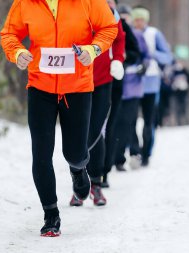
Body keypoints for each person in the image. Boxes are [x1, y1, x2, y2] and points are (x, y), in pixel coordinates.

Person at [0, 0, 118, 237]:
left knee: (74, 152)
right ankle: (51, 215)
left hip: (77, 87)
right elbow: (9, 33)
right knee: (41, 153)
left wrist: (93, 49)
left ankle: (78, 168)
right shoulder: (26, 2)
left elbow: (109, 27)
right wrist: (18, 52)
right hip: (40, 86)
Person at [69, 1, 125, 207]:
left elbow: (119, 39)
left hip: (102, 81)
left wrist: (117, 60)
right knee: (77, 132)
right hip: (76, 79)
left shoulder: (110, 13)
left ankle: (96, 184)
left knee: (95, 132)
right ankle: (78, 182)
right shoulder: (74, 8)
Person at [102, 2, 142, 187]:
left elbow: (135, 52)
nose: (107, 3)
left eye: (111, 1)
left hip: (114, 81)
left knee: (112, 125)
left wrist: (121, 57)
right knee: (89, 127)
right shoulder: (87, 19)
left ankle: (104, 171)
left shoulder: (121, 25)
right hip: (88, 80)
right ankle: (83, 170)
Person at [129, 5, 173, 167]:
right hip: (133, 83)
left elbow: (168, 57)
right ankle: (135, 151)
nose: (138, 23)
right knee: (130, 120)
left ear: (146, 20)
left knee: (149, 121)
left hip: (151, 84)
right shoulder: (129, 32)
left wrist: (152, 53)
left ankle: (146, 152)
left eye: (141, 19)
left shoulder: (154, 34)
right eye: (136, 20)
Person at [109, 4, 150, 173]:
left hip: (133, 86)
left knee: (128, 122)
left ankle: (132, 154)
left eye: (127, 17)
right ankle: (115, 157)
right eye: (122, 16)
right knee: (115, 122)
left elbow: (144, 55)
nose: (124, 20)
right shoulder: (109, 29)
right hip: (115, 85)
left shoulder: (136, 34)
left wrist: (142, 66)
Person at [170, 60, 189, 125]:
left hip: (184, 92)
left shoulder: (185, 71)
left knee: (184, 106)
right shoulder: (174, 72)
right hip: (176, 92)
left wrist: (187, 86)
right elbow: (170, 81)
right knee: (177, 107)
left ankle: (186, 120)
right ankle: (179, 121)